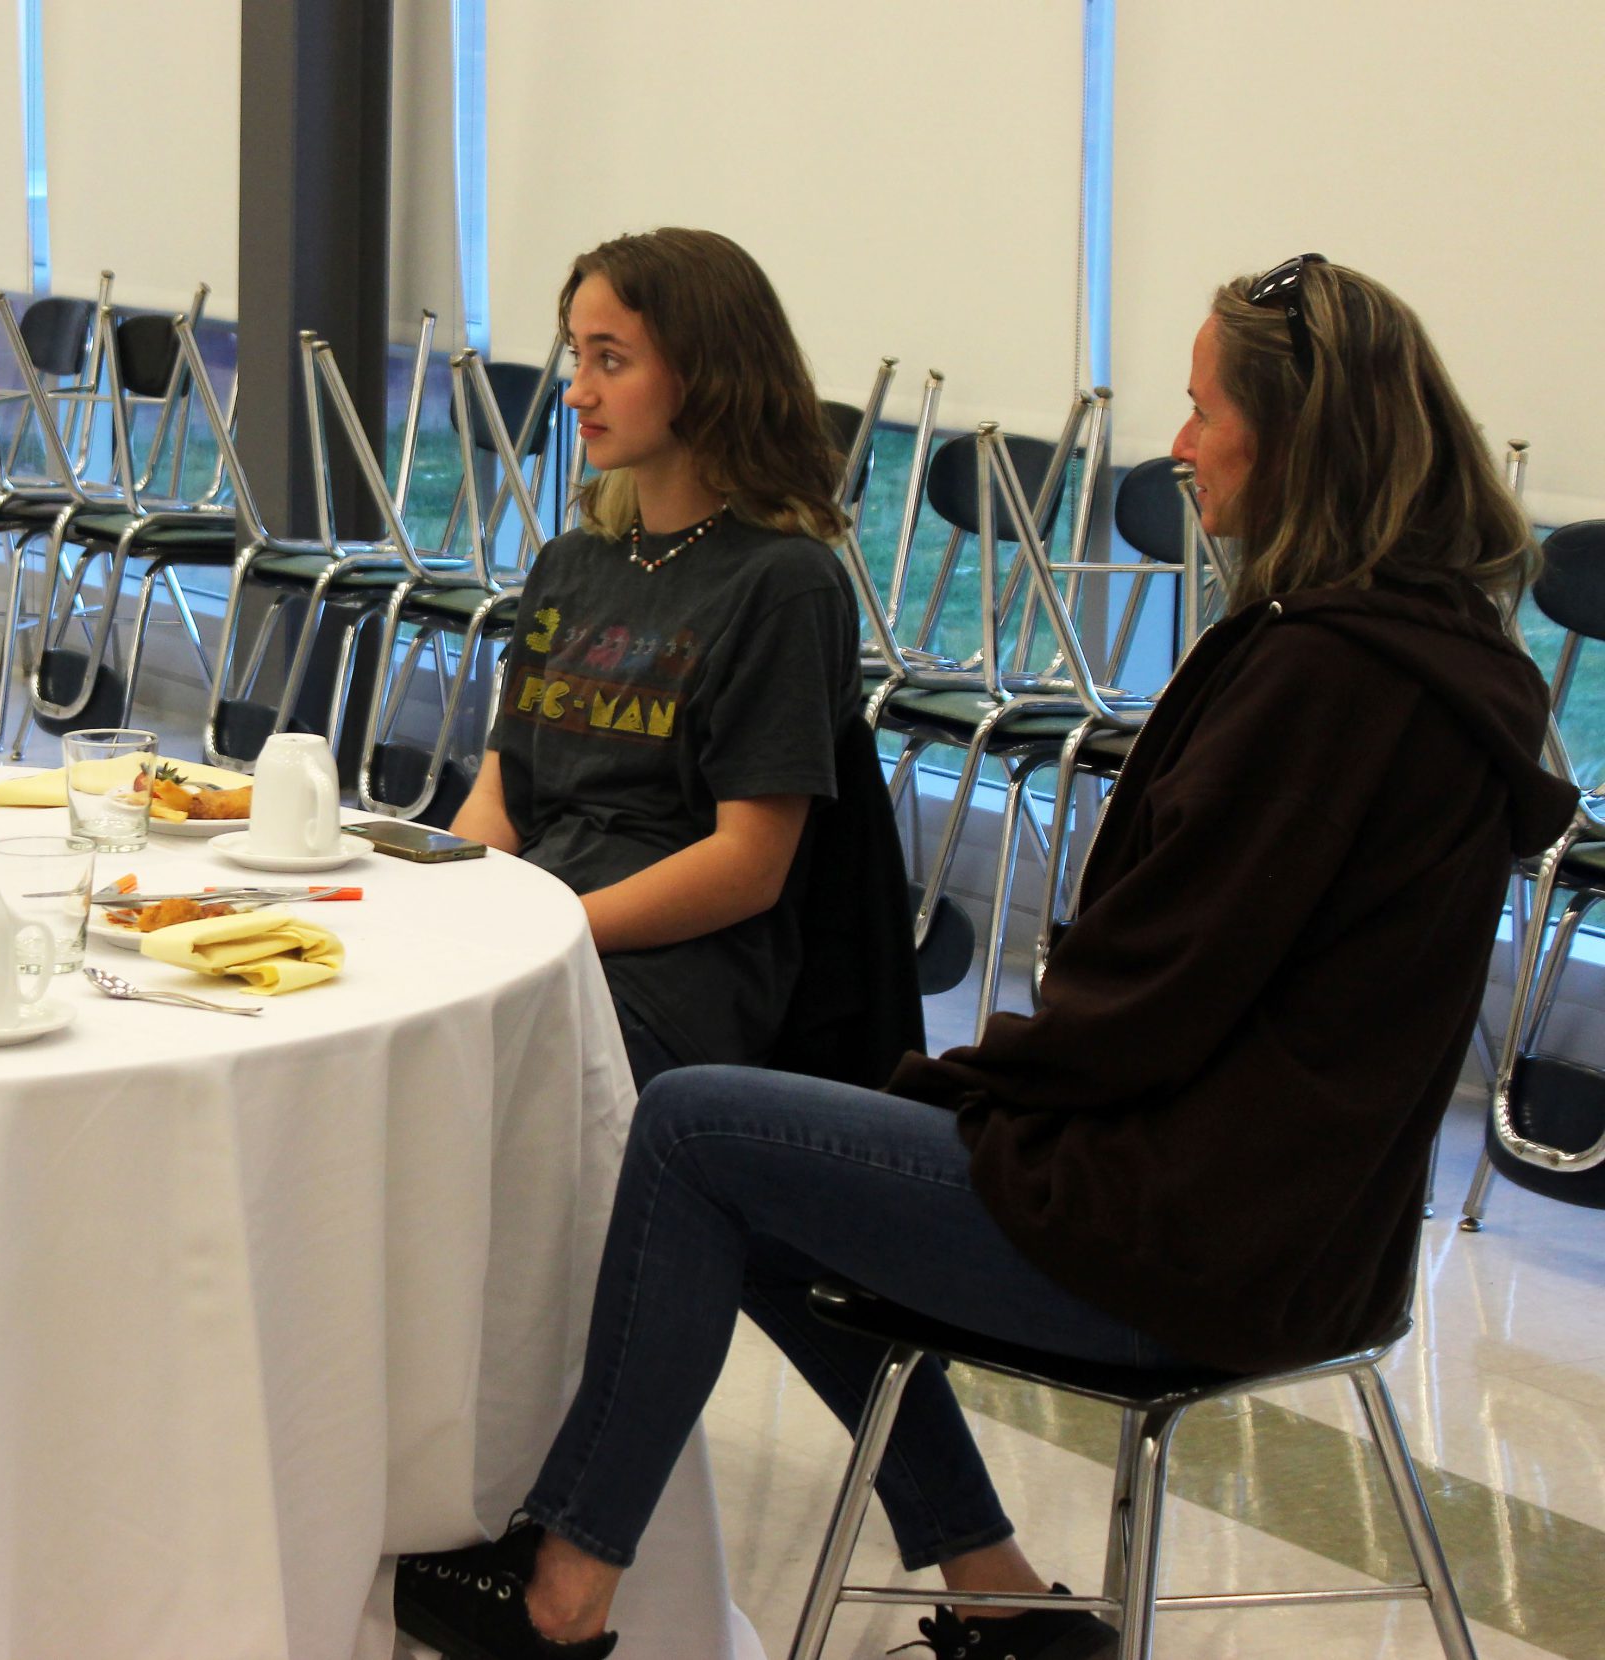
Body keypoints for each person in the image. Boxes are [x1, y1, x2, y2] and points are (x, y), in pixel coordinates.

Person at [395, 255, 1576, 1660]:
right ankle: (999, 1585)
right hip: (1287, 1227)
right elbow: (1167, 990)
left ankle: (563, 1594)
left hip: (1192, 1239)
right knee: (756, 1164)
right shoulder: (1412, 657)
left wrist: (949, 1091)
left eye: (1203, 411)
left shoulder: (1326, 678)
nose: (1180, 445)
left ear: (1301, 436)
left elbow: (1143, 1003)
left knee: (699, 1128)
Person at [448, 229, 916, 1091]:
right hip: (551, 926)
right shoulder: (570, 564)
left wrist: (547, 930)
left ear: (704, 377)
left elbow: (747, 866)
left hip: (672, 978)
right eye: (577, 357)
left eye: (611, 361)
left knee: (456, 1077)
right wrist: (450, 902)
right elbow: (504, 789)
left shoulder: (782, 585)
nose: (577, 391)